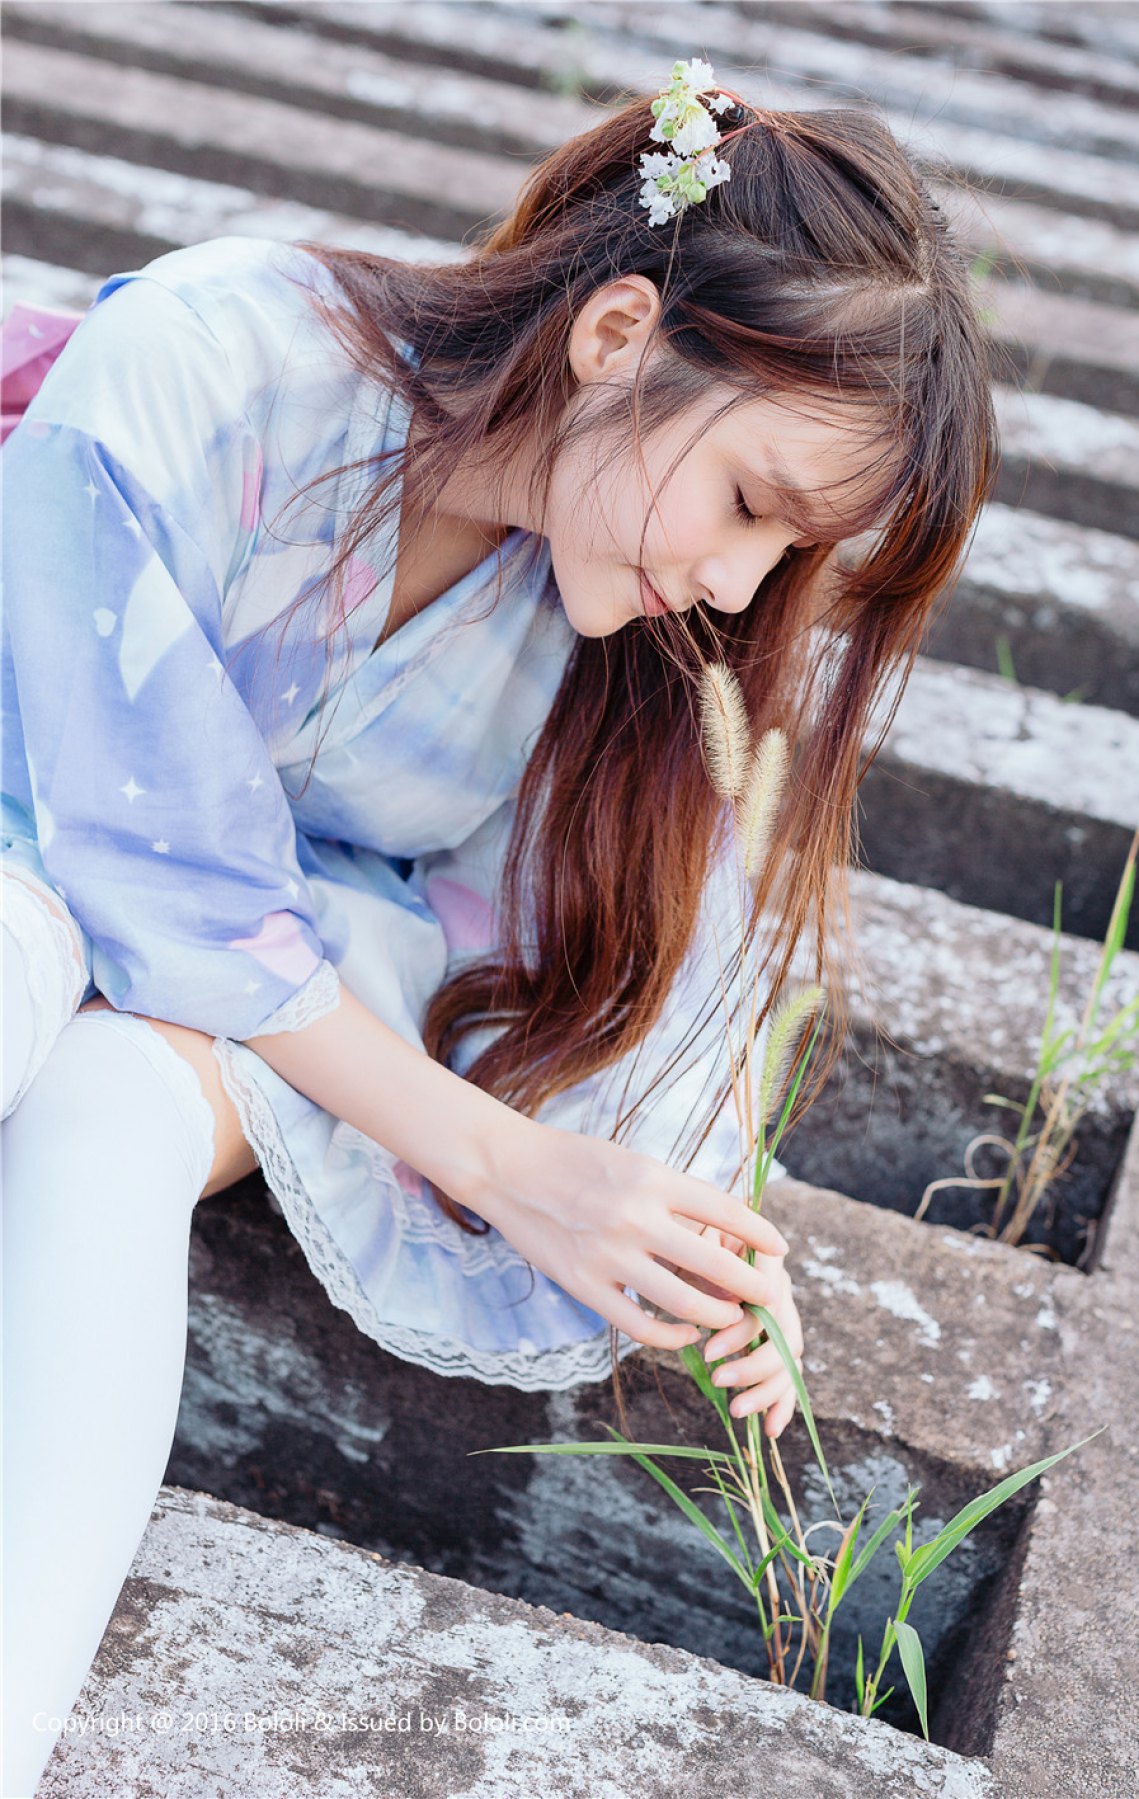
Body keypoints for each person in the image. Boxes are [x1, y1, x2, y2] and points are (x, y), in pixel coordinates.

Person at [1, 57, 998, 1795]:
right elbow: (127, 838)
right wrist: (499, 1164)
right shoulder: (229, 350)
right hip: (42, 838)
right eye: (754, 505)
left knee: (107, 1117)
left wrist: (705, 1209)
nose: (745, 591)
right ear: (619, 332)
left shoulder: (616, 635)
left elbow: (672, 956)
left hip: (299, 955)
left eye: (794, 560)